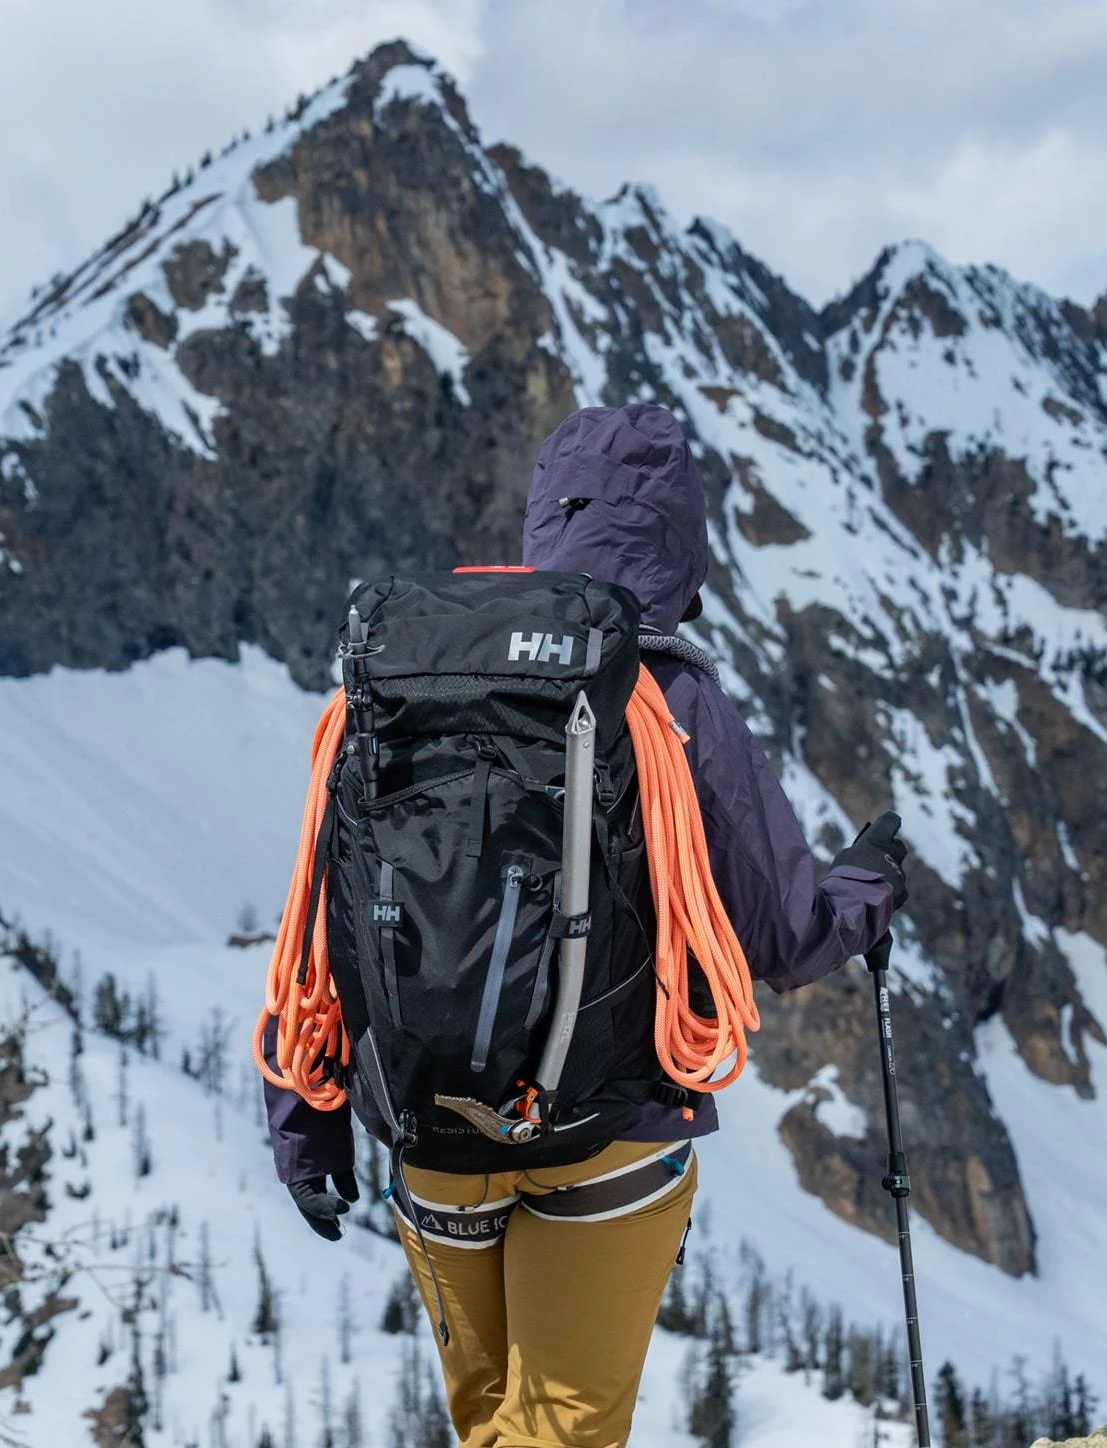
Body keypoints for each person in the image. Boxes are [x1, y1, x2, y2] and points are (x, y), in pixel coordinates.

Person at [263, 402, 907, 1448]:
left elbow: (322, 921)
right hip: (610, 1132)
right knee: (564, 1429)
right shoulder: (670, 693)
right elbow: (784, 937)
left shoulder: (398, 681)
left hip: (428, 1124)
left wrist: (304, 1126)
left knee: (494, 1428)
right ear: (679, 540)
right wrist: (868, 886)